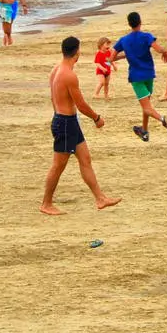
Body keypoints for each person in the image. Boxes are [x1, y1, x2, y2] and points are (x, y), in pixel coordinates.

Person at [43, 35, 119, 215]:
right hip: (66, 123)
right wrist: (96, 118)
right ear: (77, 53)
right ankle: (46, 203)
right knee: (58, 166)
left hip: (66, 121)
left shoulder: (56, 70)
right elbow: (81, 103)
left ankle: (100, 198)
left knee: (85, 159)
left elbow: (54, 97)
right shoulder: (69, 75)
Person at [112, 11, 167, 142]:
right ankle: (144, 131)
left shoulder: (123, 40)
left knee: (146, 107)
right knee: (146, 106)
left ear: (129, 24)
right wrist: (164, 52)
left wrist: (124, 55)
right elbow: (158, 48)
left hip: (136, 77)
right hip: (149, 74)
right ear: (140, 23)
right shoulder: (146, 36)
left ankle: (163, 120)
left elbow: (111, 57)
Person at [92, 34, 115, 100]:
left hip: (107, 71)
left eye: (109, 45)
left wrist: (114, 65)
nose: (108, 46)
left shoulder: (108, 52)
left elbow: (110, 60)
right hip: (100, 71)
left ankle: (106, 95)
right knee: (102, 82)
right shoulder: (99, 54)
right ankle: (95, 94)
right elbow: (97, 63)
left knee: (107, 84)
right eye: (107, 44)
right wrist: (102, 68)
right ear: (101, 45)